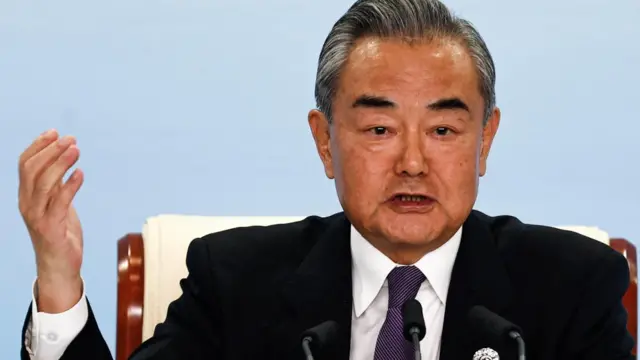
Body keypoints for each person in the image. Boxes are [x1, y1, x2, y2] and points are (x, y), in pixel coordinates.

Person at [18, 0, 635, 359]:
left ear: (486, 139)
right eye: (378, 130)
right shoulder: (234, 282)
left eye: (444, 131)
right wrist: (58, 278)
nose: (413, 163)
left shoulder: (572, 286)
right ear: (324, 140)